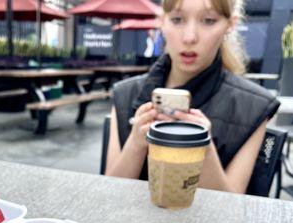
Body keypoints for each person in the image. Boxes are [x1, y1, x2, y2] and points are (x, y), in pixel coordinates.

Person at [106, 0, 280, 194]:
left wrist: (203, 149)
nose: (189, 37)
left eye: (208, 21)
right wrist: (136, 143)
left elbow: (229, 210)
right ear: (162, 22)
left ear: (230, 25)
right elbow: (109, 194)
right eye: (177, 19)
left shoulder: (253, 107)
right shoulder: (125, 94)